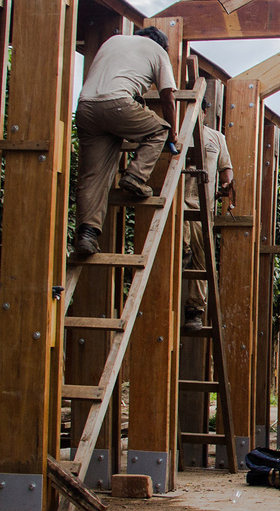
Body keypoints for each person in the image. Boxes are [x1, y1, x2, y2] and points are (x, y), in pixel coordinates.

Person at [71, 26, 178, 259]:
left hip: (86, 108)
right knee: (159, 130)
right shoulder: (157, 51)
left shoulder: (112, 41)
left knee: (93, 176)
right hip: (118, 104)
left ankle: (87, 235)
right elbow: (167, 97)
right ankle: (135, 177)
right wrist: (174, 134)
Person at [182, 123, 235, 332]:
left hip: (204, 206)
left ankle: (194, 310)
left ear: (204, 111)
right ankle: (182, 251)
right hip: (180, 199)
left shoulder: (216, 137)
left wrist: (227, 185)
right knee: (184, 235)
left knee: (202, 258)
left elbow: (226, 169)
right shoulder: (176, 129)